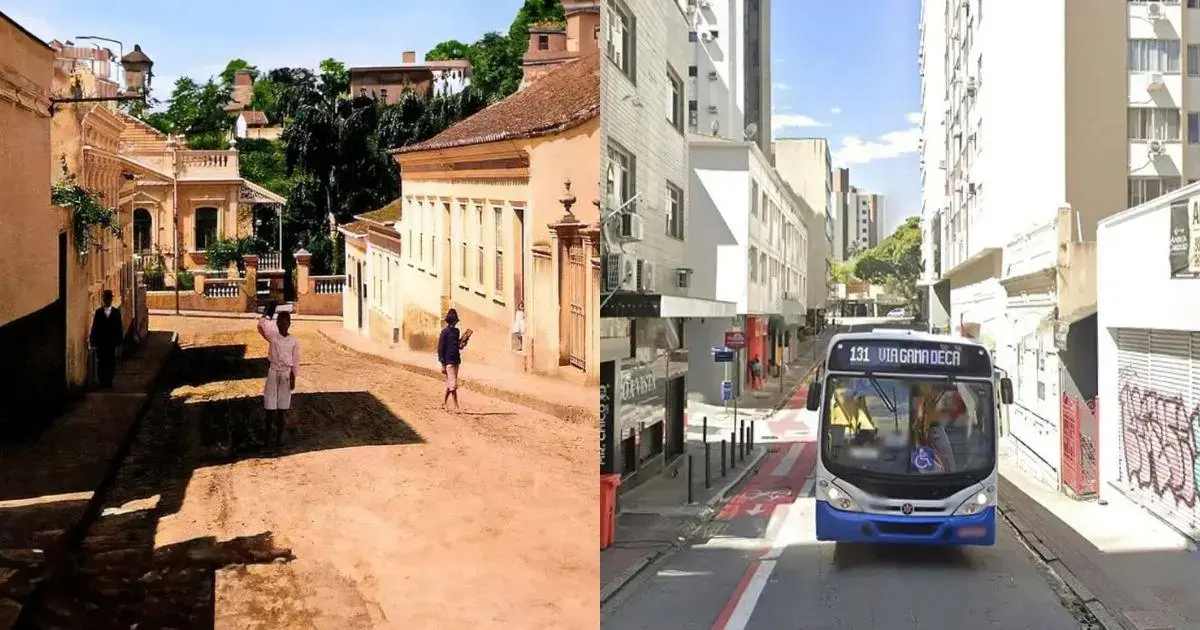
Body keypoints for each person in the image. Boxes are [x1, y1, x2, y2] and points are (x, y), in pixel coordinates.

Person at [257, 303, 300, 447]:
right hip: (273, 372)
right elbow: (261, 325)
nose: (283, 324)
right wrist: (269, 309)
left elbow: (295, 361)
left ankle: (278, 439)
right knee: (270, 407)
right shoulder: (272, 337)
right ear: (277, 323)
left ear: (289, 324)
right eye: (280, 322)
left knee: (282, 409)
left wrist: (293, 377)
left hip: (286, 374)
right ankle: (267, 438)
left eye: (286, 322)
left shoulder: (293, 341)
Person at [437, 308, 472, 412]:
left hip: (456, 359)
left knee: (450, 382)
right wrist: (442, 363)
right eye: (453, 321)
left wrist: (463, 342)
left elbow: (457, 346)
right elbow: (440, 349)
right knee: (453, 384)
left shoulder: (456, 332)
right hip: (448, 361)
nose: (454, 323)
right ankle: (456, 406)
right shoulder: (444, 332)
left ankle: (444, 402)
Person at [89, 290, 123, 389]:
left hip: (111, 343)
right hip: (101, 342)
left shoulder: (116, 313)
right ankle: (102, 381)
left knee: (110, 362)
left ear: (111, 300)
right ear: (104, 300)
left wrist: (119, 341)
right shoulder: (98, 313)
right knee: (102, 362)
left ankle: (109, 381)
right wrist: (93, 340)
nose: (107, 301)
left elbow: (119, 328)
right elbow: (95, 327)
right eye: (106, 299)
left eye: (109, 299)